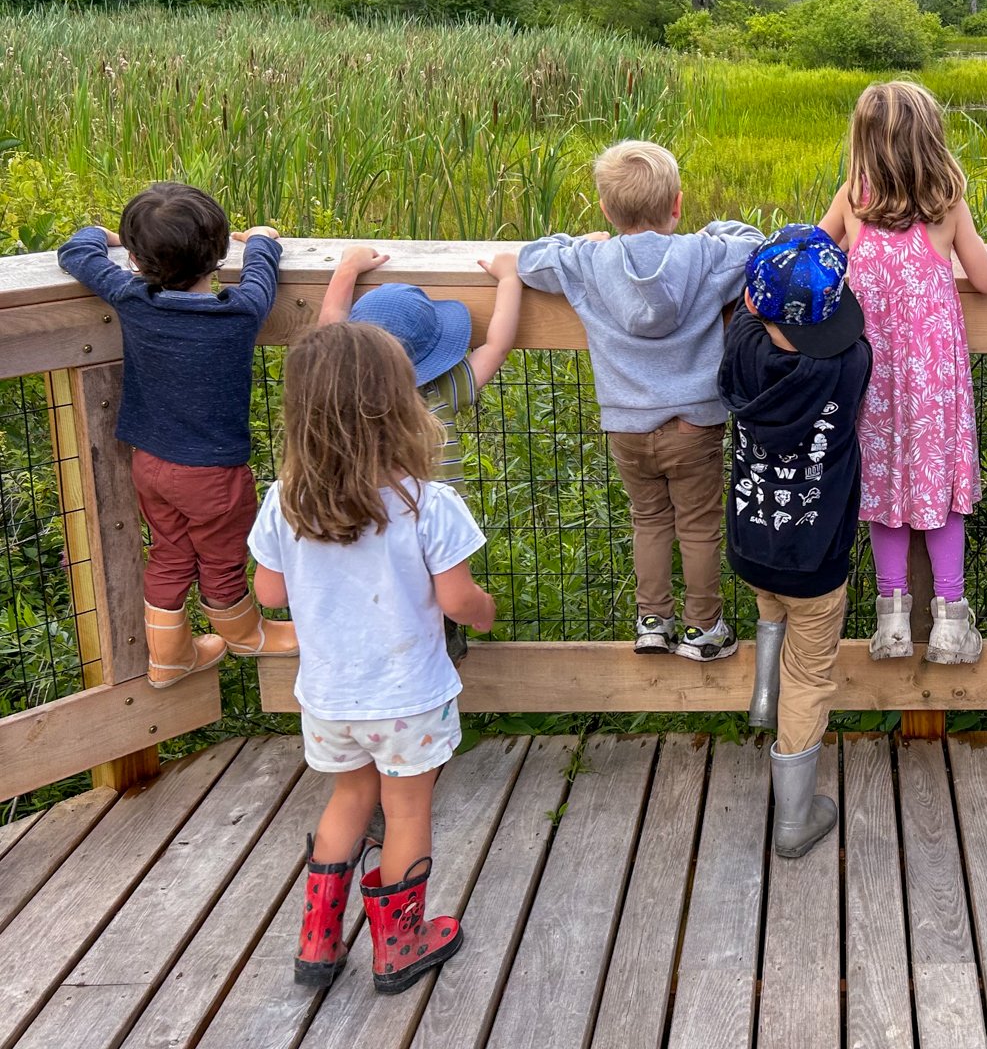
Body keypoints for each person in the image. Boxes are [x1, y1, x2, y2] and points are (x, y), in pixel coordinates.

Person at [249, 322, 496, 994]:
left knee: (349, 796)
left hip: (328, 695)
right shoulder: (429, 504)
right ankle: (399, 944)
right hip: (407, 695)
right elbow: (458, 600)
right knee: (408, 810)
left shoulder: (285, 501)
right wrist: (486, 610)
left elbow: (269, 593)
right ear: (400, 405)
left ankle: (318, 942)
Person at [519, 140, 765, 675]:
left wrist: (581, 240)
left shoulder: (590, 261)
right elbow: (754, 242)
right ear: (677, 204)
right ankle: (704, 629)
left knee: (648, 520)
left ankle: (652, 620)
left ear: (606, 209)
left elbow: (530, 258)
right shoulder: (702, 254)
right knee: (698, 527)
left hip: (627, 424)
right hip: (694, 423)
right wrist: (708, 232)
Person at [57, 184, 295, 686]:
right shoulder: (240, 312)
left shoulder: (132, 296)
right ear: (220, 253)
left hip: (150, 463)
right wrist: (265, 240)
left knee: (169, 552)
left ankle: (168, 658)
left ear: (139, 259)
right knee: (222, 555)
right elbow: (260, 273)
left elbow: (77, 252)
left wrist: (103, 236)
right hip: (213, 472)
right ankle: (246, 636)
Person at [818, 81, 987, 665]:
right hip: (932, 383)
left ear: (864, 143)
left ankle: (892, 619)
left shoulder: (854, 200)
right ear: (931, 141)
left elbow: (816, 253)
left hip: (871, 379)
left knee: (882, 494)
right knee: (941, 495)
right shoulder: (947, 206)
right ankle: (949, 621)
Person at [719, 224, 872, 858]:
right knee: (811, 676)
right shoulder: (851, 362)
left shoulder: (742, 348)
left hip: (750, 543)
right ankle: (794, 819)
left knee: (770, 605)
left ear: (756, 303)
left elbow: (752, 311)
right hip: (818, 559)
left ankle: (762, 698)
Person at [317, 241, 522, 663]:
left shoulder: (341, 395)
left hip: (362, 541)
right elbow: (498, 344)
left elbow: (328, 327)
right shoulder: (441, 391)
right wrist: (509, 278)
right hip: (434, 548)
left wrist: (348, 269)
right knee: (435, 643)